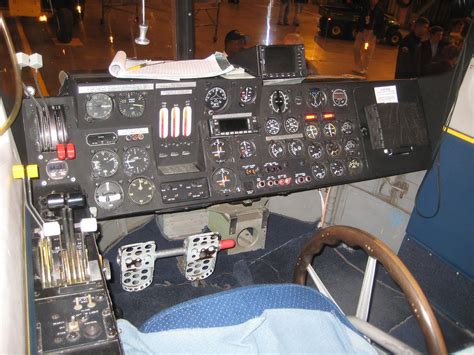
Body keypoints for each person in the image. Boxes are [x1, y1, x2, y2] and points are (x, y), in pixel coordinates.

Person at [352, 0, 385, 76]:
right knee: (356, 48)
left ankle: (364, 68)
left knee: (368, 51)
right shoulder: (366, 7)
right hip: (362, 30)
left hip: (372, 32)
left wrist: (379, 36)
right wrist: (357, 30)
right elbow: (360, 19)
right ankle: (358, 66)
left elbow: (382, 24)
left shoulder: (380, 10)